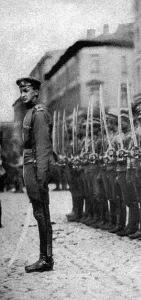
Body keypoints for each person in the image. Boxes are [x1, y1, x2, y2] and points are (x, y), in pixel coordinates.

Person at [17, 76, 55, 273]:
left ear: (36, 92)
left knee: (42, 214)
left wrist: (41, 178)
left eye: (26, 91)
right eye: (21, 91)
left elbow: (43, 148)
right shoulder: (31, 113)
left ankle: (46, 258)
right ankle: (45, 258)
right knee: (39, 213)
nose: (23, 95)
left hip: (36, 169)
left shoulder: (39, 114)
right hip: (30, 168)